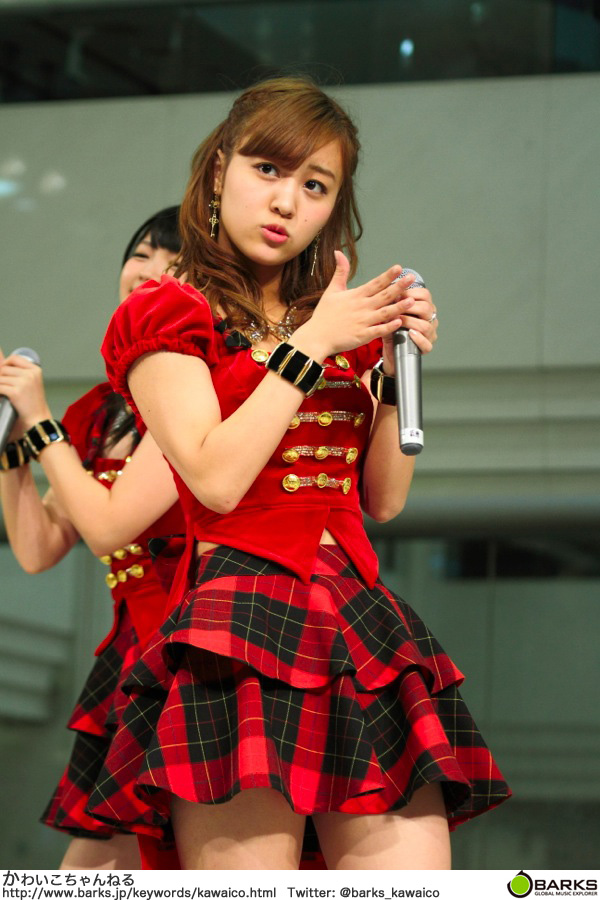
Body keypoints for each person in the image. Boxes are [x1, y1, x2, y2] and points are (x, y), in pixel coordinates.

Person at [93, 76, 511, 870]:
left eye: (315, 186)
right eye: (268, 170)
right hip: (238, 620)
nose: (287, 201)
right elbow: (214, 478)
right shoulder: (167, 312)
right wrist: (313, 343)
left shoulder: (337, 321)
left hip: (358, 622)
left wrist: (398, 368)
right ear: (220, 170)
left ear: (333, 207)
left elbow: (384, 498)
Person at [0, 208, 183, 869]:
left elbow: (109, 528)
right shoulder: (100, 411)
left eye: (176, 265)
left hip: (190, 643)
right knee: (100, 859)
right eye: (141, 255)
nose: (150, 273)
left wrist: (40, 423)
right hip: (131, 652)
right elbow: (39, 548)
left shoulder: (196, 391)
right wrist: (14, 449)